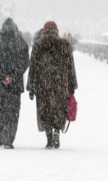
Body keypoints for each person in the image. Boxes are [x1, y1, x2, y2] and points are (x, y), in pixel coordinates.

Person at [26, 21, 78, 149]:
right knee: (59, 110)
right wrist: (72, 85)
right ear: (57, 31)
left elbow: (33, 67)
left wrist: (31, 87)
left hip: (43, 85)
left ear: (44, 31)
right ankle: (56, 133)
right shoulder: (64, 45)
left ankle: (49, 137)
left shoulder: (38, 45)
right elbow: (71, 67)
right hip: (60, 84)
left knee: (45, 110)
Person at [0, 17, 29, 149]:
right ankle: (8, 139)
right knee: (13, 112)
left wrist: (2, 76)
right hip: (15, 85)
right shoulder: (21, 43)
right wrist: (12, 77)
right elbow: (24, 63)